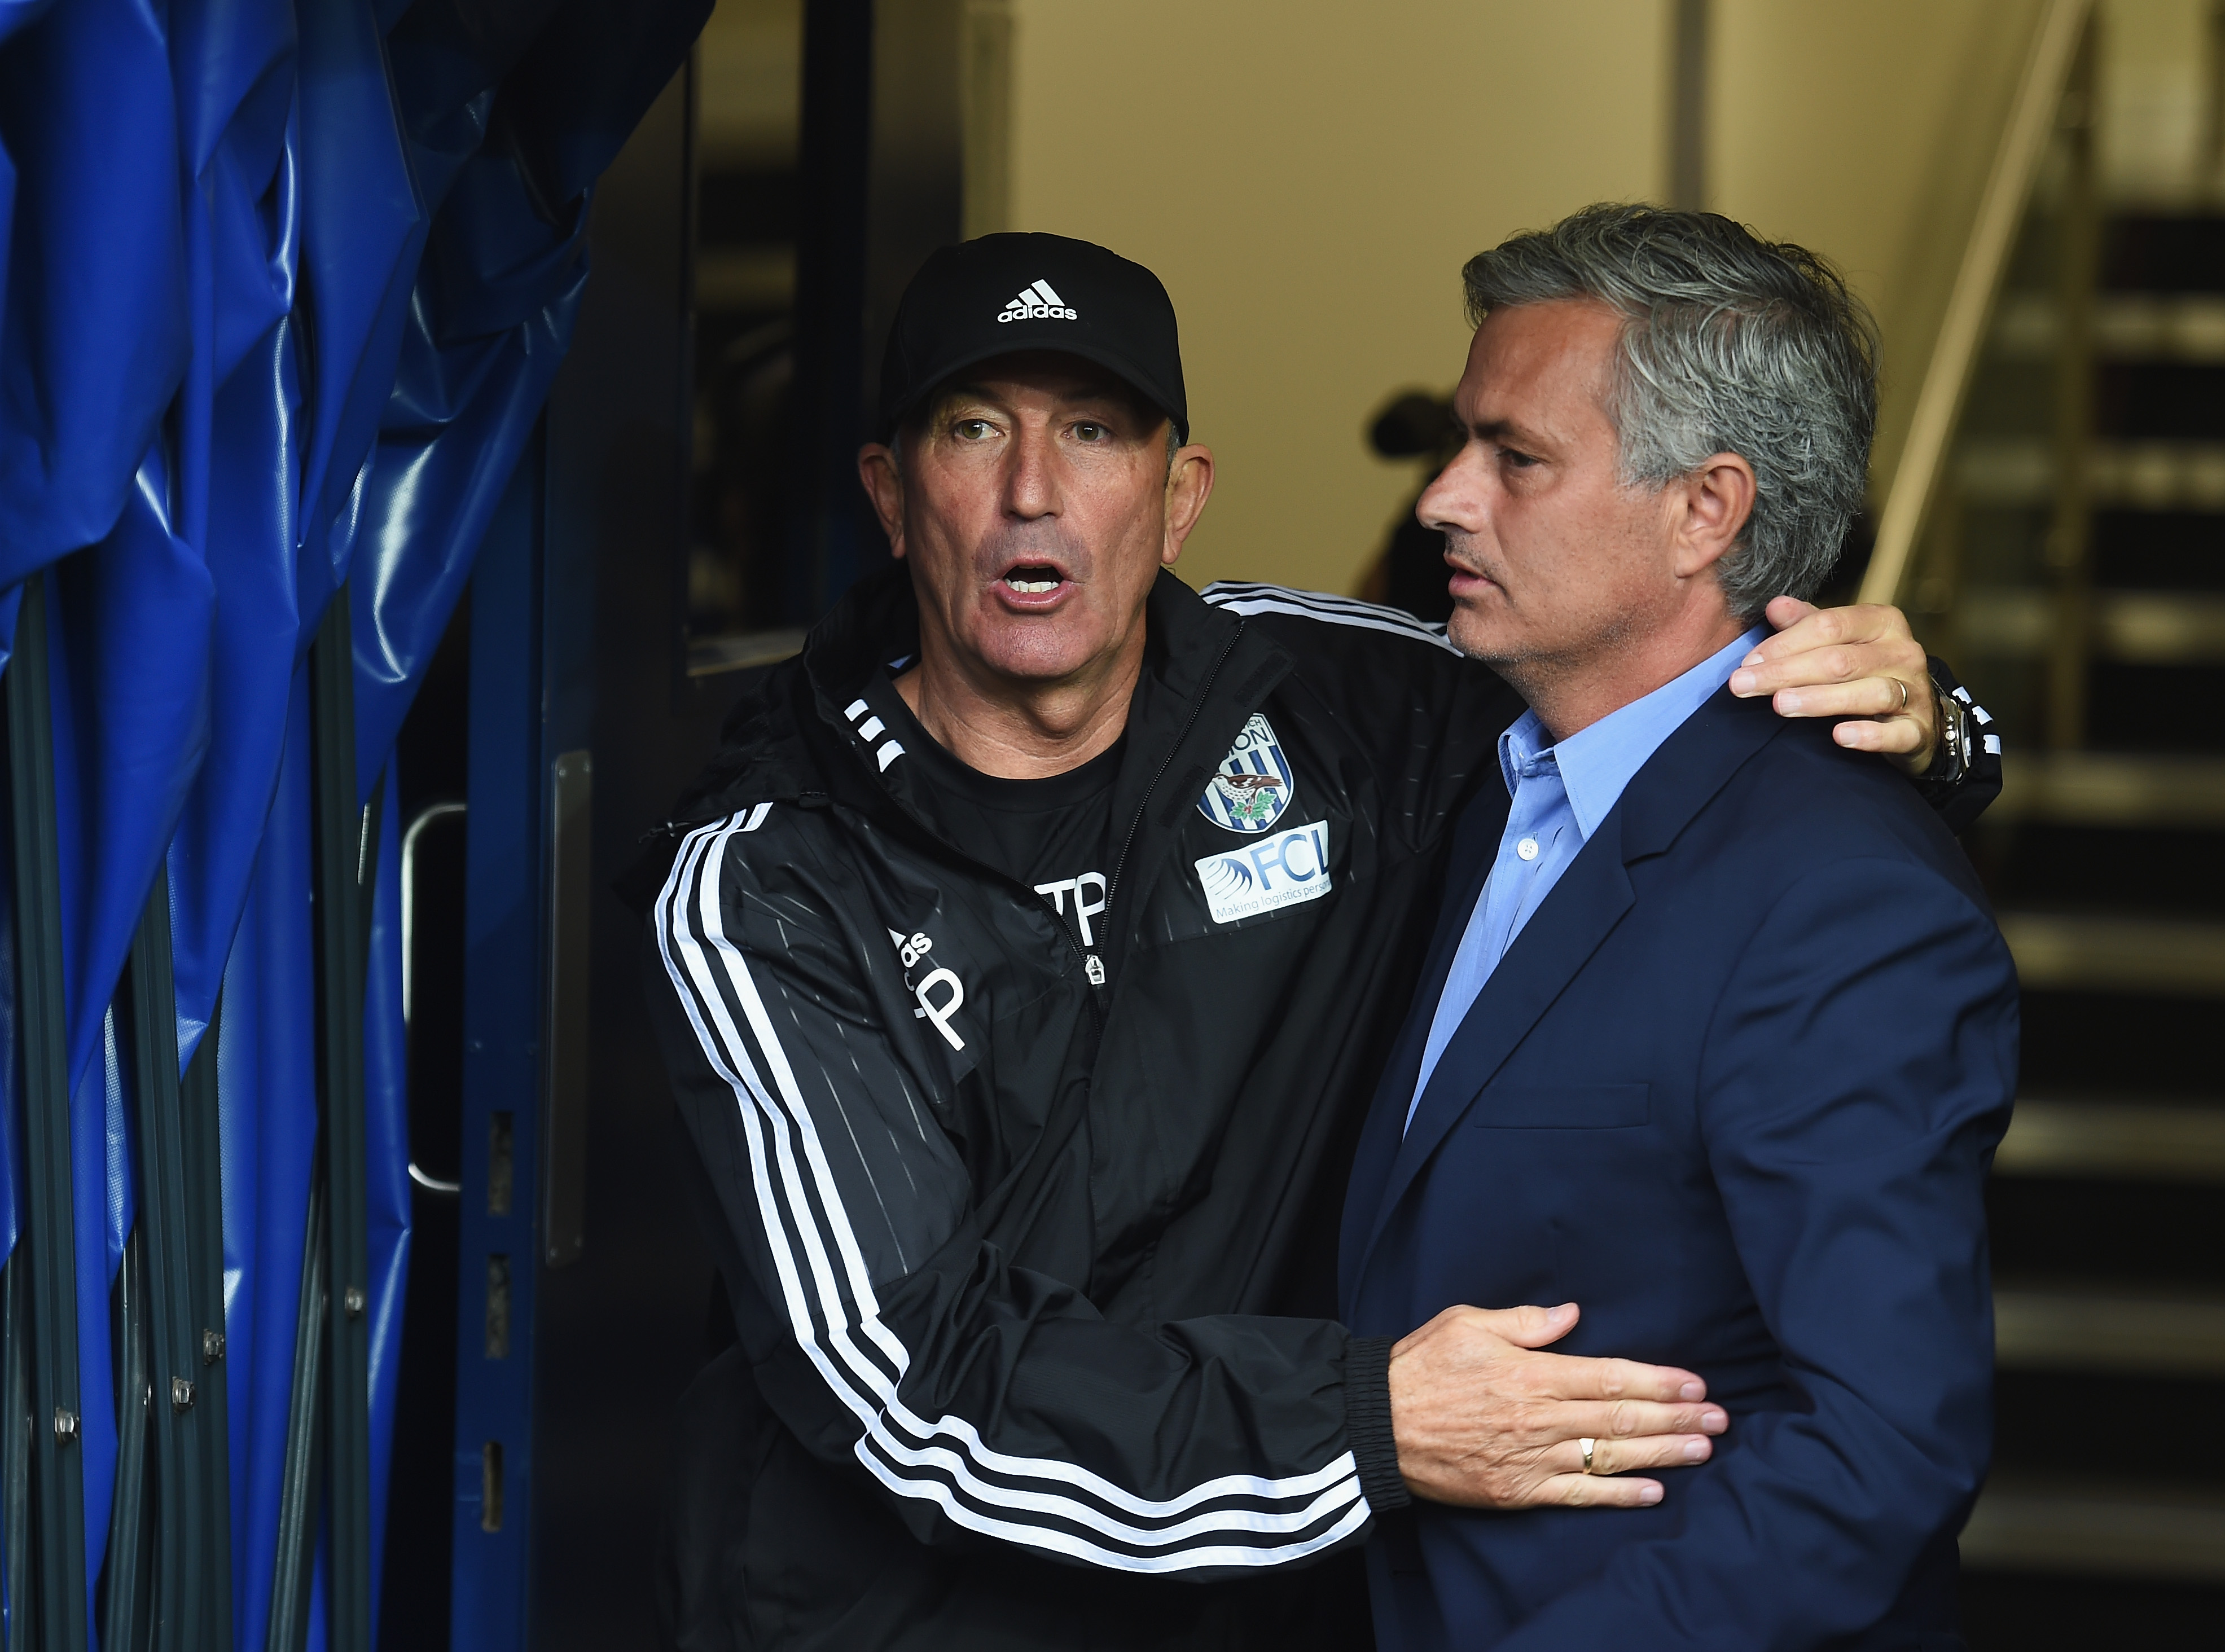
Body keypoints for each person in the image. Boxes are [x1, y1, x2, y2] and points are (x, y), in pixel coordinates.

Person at [640, 231, 2000, 1650]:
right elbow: (905, 1387)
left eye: (1092, 433)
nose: (1030, 494)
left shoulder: (1344, 719)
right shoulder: (764, 880)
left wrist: (1938, 725)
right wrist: (1369, 1424)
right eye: (972, 429)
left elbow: (1670, 719)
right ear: (890, 495)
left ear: (1178, 499)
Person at [1339, 205, 2016, 1651]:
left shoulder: (1845, 901)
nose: (1441, 500)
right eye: (1465, 444)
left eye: (1514, 458)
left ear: (1704, 509)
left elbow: (1877, 1455)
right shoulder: (1465, 772)